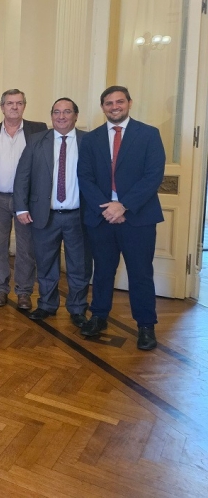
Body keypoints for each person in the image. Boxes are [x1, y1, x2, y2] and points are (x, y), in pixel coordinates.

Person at [77, 86, 165, 350]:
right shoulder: (91, 139)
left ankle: (146, 326)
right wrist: (107, 209)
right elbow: (85, 177)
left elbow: (153, 176)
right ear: (102, 107)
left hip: (138, 218)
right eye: (109, 103)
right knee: (102, 271)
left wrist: (123, 206)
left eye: (119, 102)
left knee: (141, 274)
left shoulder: (149, 134)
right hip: (101, 217)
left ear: (129, 103)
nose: (114, 106)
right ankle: (99, 316)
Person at [13, 98, 90, 327]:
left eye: (67, 112)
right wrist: (21, 207)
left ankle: (77, 308)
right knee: (46, 263)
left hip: (78, 216)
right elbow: (22, 176)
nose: (61, 116)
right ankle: (46, 304)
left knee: (79, 265)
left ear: (76, 115)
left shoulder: (88, 141)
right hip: (44, 215)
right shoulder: (37, 140)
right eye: (56, 112)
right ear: (51, 116)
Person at [0, 89, 47, 308]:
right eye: (10, 103)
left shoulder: (38, 130)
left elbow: (45, 167)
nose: (14, 107)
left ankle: (24, 292)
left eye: (19, 103)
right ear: (2, 107)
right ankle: (0, 289)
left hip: (27, 202)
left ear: (24, 105)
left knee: (26, 249)